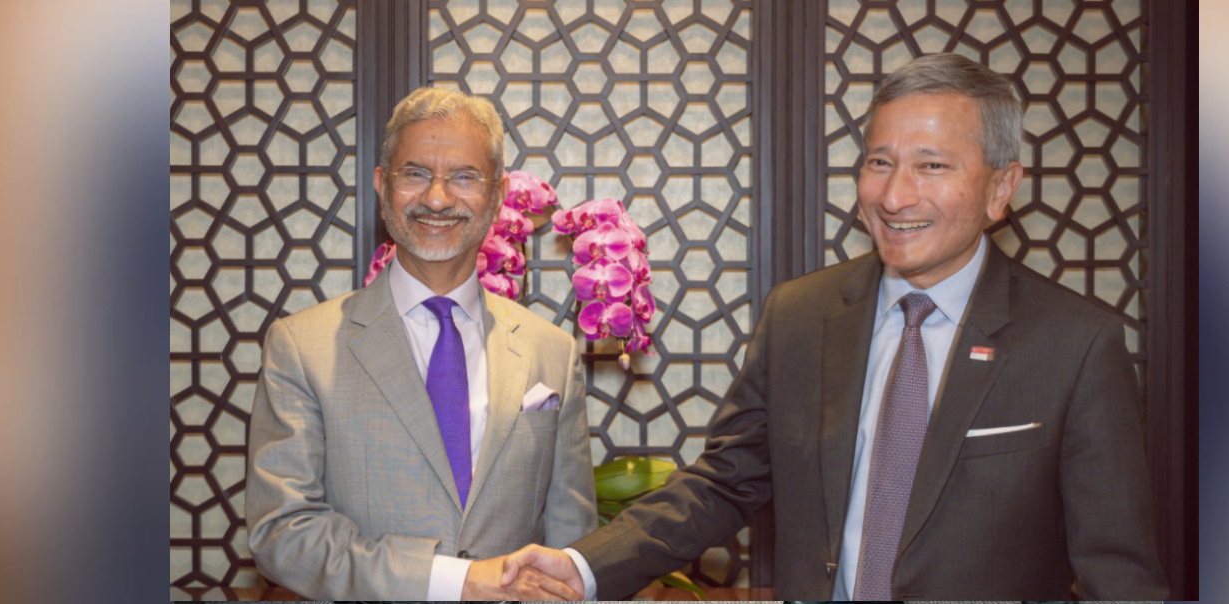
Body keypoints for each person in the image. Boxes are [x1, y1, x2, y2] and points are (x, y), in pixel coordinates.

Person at [499, 53, 1169, 600]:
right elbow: (725, 480)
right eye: (879, 162)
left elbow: (1120, 576)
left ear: (1001, 187)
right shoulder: (801, 316)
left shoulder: (1076, 344)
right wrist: (584, 568)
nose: (894, 194)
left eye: (931, 165)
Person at [245, 87, 595, 601]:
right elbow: (284, 534)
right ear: (383, 187)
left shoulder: (553, 352)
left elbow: (571, 545)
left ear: (497, 196)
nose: (437, 198)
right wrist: (455, 582)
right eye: (415, 174)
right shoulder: (301, 347)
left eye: (463, 176)